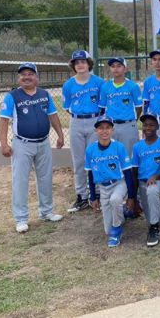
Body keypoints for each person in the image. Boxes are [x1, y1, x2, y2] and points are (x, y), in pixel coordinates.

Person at [0, 62, 66, 233]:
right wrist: (4, 144)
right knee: (20, 181)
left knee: (45, 178)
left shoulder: (45, 94)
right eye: (23, 74)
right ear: (18, 78)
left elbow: (53, 115)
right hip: (22, 144)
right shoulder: (12, 96)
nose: (26, 77)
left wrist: (60, 134)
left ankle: (47, 212)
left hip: (43, 143)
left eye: (30, 74)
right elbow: (4, 121)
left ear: (37, 77)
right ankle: (21, 218)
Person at [62, 49, 105, 213]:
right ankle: (82, 196)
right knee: (79, 161)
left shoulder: (99, 82)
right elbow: (67, 107)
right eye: (76, 62)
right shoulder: (68, 84)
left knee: (96, 158)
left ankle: (99, 194)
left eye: (83, 61)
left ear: (89, 64)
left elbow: (103, 106)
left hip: (95, 121)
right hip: (77, 122)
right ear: (73, 65)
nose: (80, 65)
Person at [85, 116, 137, 247]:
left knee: (115, 200)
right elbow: (90, 174)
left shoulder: (118, 147)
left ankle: (117, 230)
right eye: (101, 128)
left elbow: (127, 172)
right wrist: (93, 196)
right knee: (107, 230)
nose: (104, 131)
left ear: (112, 130)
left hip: (119, 183)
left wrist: (131, 197)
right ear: (96, 130)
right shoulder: (90, 150)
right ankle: (122, 214)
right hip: (103, 188)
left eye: (108, 128)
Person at [131, 114, 160, 246]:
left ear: (158, 126)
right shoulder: (137, 147)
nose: (148, 127)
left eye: (152, 124)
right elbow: (134, 172)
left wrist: (156, 177)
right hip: (143, 184)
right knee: (152, 218)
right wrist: (134, 197)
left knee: (152, 190)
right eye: (145, 125)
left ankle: (154, 230)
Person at [100, 55, 142, 154]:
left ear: (125, 68)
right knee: (111, 155)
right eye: (113, 66)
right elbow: (102, 108)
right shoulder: (106, 87)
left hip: (128, 125)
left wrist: (132, 120)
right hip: (111, 126)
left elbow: (139, 107)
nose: (115, 69)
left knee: (129, 155)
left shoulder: (133, 86)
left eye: (119, 66)